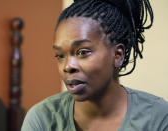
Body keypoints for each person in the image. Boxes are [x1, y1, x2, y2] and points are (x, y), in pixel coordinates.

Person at [21, 0, 168, 130]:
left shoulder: (158, 117)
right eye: (60, 56)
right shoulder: (42, 119)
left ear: (117, 55)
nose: (68, 66)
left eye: (82, 52)